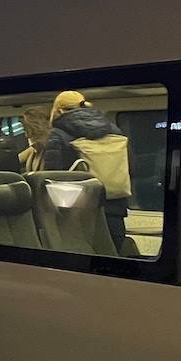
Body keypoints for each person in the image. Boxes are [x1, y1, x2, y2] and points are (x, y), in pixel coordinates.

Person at [43, 90, 132, 252]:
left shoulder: (58, 134)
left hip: (76, 212)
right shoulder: (113, 129)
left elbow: (53, 176)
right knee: (112, 258)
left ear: (60, 110)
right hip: (114, 206)